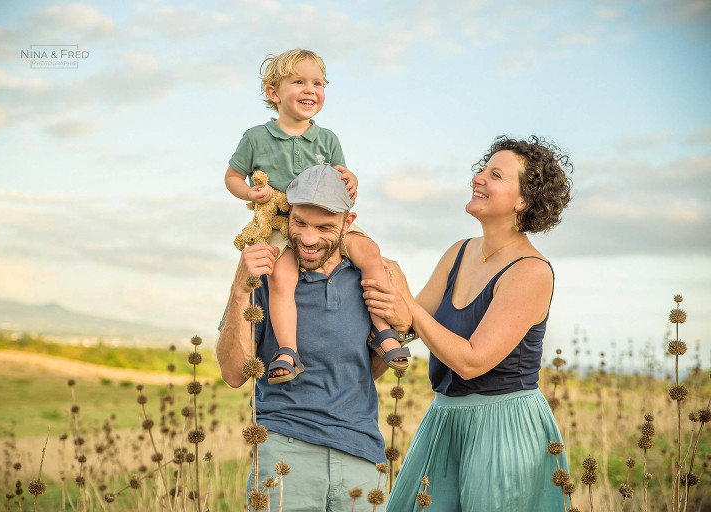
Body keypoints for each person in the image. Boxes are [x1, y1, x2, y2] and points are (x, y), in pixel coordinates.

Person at [362, 136, 573, 511]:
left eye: (495, 175)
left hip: (504, 427)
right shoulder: (458, 251)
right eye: (482, 169)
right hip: (443, 419)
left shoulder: (531, 271)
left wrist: (407, 302)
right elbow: (408, 323)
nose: (478, 178)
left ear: (522, 200)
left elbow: (472, 360)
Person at [217, 164, 404, 511]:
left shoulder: (370, 277)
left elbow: (368, 368)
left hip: (361, 454)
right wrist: (241, 287)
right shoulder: (267, 273)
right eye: (299, 222)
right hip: (284, 450)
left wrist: (402, 324)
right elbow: (232, 373)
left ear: (349, 224)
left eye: (324, 227)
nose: (307, 238)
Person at [224, 49, 408, 385]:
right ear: (273, 93)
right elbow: (233, 177)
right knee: (282, 276)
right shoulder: (256, 137)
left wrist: (352, 179)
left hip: (321, 222)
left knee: (371, 253)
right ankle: (287, 349)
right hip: (281, 223)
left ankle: (383, 330)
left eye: (318, 83)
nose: (311, 89)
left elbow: (341, 178)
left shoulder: (327, 138)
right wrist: (249, 193)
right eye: (299, 82)